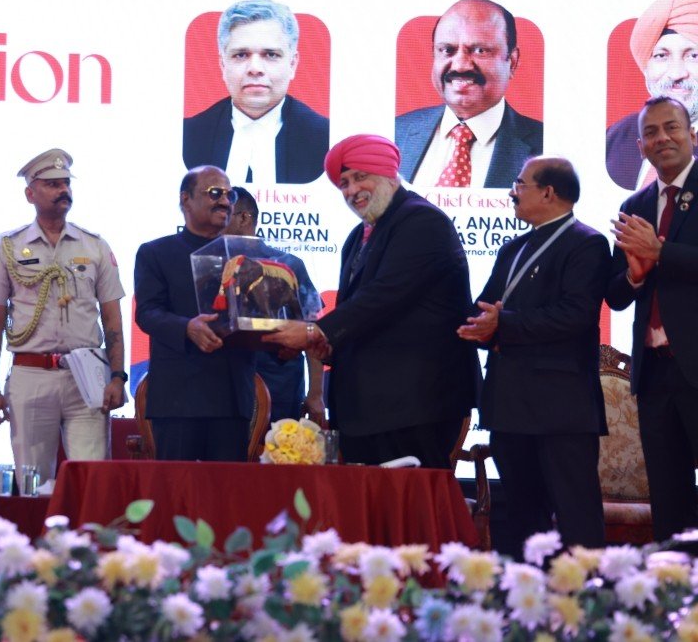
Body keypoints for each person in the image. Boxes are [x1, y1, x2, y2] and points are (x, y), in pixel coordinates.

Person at [264, 135, 478, 469]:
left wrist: (314, 331)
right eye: (344, 183)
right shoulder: (358, 236)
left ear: (389, 174)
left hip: (414, 405)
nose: (352, 190)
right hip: (366, 408)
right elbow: (361, 313)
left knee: (409, 500)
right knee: (367, 501)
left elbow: (384, 297)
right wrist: (327, 345)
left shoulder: (423, 222)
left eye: (360, 177)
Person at [459, 156, 608, 552]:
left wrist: (503, 325)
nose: (513, 193)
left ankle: (586, 590)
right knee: (522, 518)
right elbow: (487, 307)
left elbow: (575, 315)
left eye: (520, 184)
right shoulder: (513, 248)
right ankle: (526, 589)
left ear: (548, 193)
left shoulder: (587, 243)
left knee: (576, 516)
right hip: (509, 402)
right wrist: (474, 326)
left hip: (561, 408)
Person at [0, 148, 126, 483]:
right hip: (31, 373)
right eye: (52, 184)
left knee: (92, 480)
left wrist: (118, 377)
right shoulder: (8, 246)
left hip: (87, 374)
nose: (63, 190)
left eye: (65, 183)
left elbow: (112, 319)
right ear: (30, 194)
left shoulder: (95, 245)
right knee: (32, 481)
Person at [607, 96, 698, 540]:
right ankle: (673, 578)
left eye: (671, 127)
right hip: (655, 373)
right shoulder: (636, 204)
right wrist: (635, 275)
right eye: (650, 133)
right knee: (668, 496)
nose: (662, 138)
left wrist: (661, 252)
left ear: (692, 135)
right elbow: (615, 295)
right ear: (641, 147)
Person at [134, 166, 257, 460]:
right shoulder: (156, 253)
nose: (225, 201)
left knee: (228, 487)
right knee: (177, 487)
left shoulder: (248, 257)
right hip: (178, 397)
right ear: (185, 199)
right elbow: (147, 312)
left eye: (230, 195)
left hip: (232, 398)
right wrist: (186, 327)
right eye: (215, 193)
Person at [395, 0, 543, 189]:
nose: (460, 65)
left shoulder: (545, 145)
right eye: (447, 50)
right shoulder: (397, 132)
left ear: (512, 62)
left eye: (480, 50)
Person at [183, 0, 329, 185]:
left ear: (292, 64)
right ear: (223, 64)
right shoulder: (189, 135)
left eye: (271, 55)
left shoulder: (325, 139)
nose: (255, 68)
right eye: (241, 55)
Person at [223, 186, 325, 423]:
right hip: (222, 388)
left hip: (279, 388)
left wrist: (316, 394)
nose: (215, 221)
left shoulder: (288, 265)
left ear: (244, 218)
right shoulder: (210, 266)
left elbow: (313, 331)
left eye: (223, 213)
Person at [606, 0, 698, 190]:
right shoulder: (616, 138)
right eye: (661, 56)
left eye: (693, 56)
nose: (676, 73)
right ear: (646, 66)